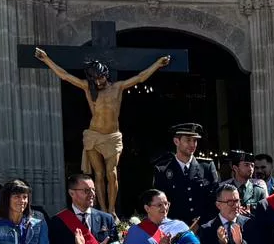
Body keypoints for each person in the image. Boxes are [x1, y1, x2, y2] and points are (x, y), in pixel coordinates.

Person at [34, 47, 171, 212]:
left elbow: (140, 77)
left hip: (112, 136)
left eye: (100, 78)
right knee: (98, 174)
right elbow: (65, 76)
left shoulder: (117, 87)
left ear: (105, 74)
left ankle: (112, 210)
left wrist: (157, 64)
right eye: (95, 79)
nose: (98, 82)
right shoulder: (88, 87)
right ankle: (103, 209)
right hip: (94, 134)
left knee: (111, 173)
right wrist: (46, 59)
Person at [152, 122, 216, 227]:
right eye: (188, 140)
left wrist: (201, 224)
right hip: (175, 230)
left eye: (195, 140)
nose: (192, 144)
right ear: (176, 141)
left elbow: (214, 200)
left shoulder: (207, 167)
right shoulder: (162, 170)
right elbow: (159, 204)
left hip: (205, 228)